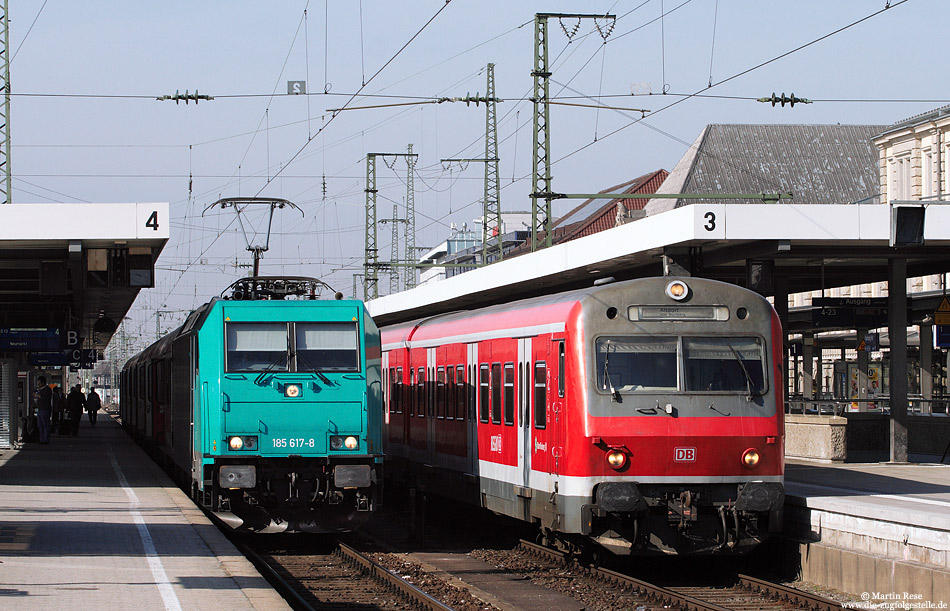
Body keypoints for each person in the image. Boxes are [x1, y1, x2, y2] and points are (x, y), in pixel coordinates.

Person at [33, 376, 53, 444]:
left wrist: (39, 396)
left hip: (45, 409)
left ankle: (46, 439)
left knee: (45, 424)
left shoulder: (48, 390)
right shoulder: (40, 390)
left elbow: (46, 399)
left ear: (43, 383)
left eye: (39, 383)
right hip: (40, 409)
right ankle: (41, 438)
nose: (38, 385)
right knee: (40, 425)